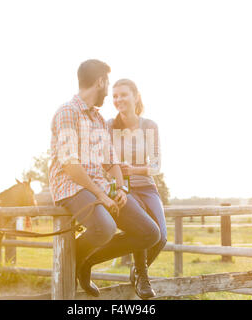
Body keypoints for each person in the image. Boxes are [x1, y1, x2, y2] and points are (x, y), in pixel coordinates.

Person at [48, 60, 161, 297]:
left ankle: (85, 262)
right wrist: (101, 195)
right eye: (107, 83)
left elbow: (111, 163)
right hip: (72, 185)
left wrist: (120, 189)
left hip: (101, 186)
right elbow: (70, 165)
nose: (108, 91)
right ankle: (72, 261)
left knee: (150, 233)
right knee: (105, 227)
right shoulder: (67, 112)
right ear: (100, 81)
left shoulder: (98, 120)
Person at [107, 79, 167, 299]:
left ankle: (137, 269)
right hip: (122, 188)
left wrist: (134, 169)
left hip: (147, 186)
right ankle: (142, 276)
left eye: (123, 95)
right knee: (141, 229)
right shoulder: (109, 126)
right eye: (115, 96)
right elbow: (101, 157)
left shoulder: (149, 126)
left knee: (161, 237)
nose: (118, 100)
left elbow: (157, 165)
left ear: (136, 96)